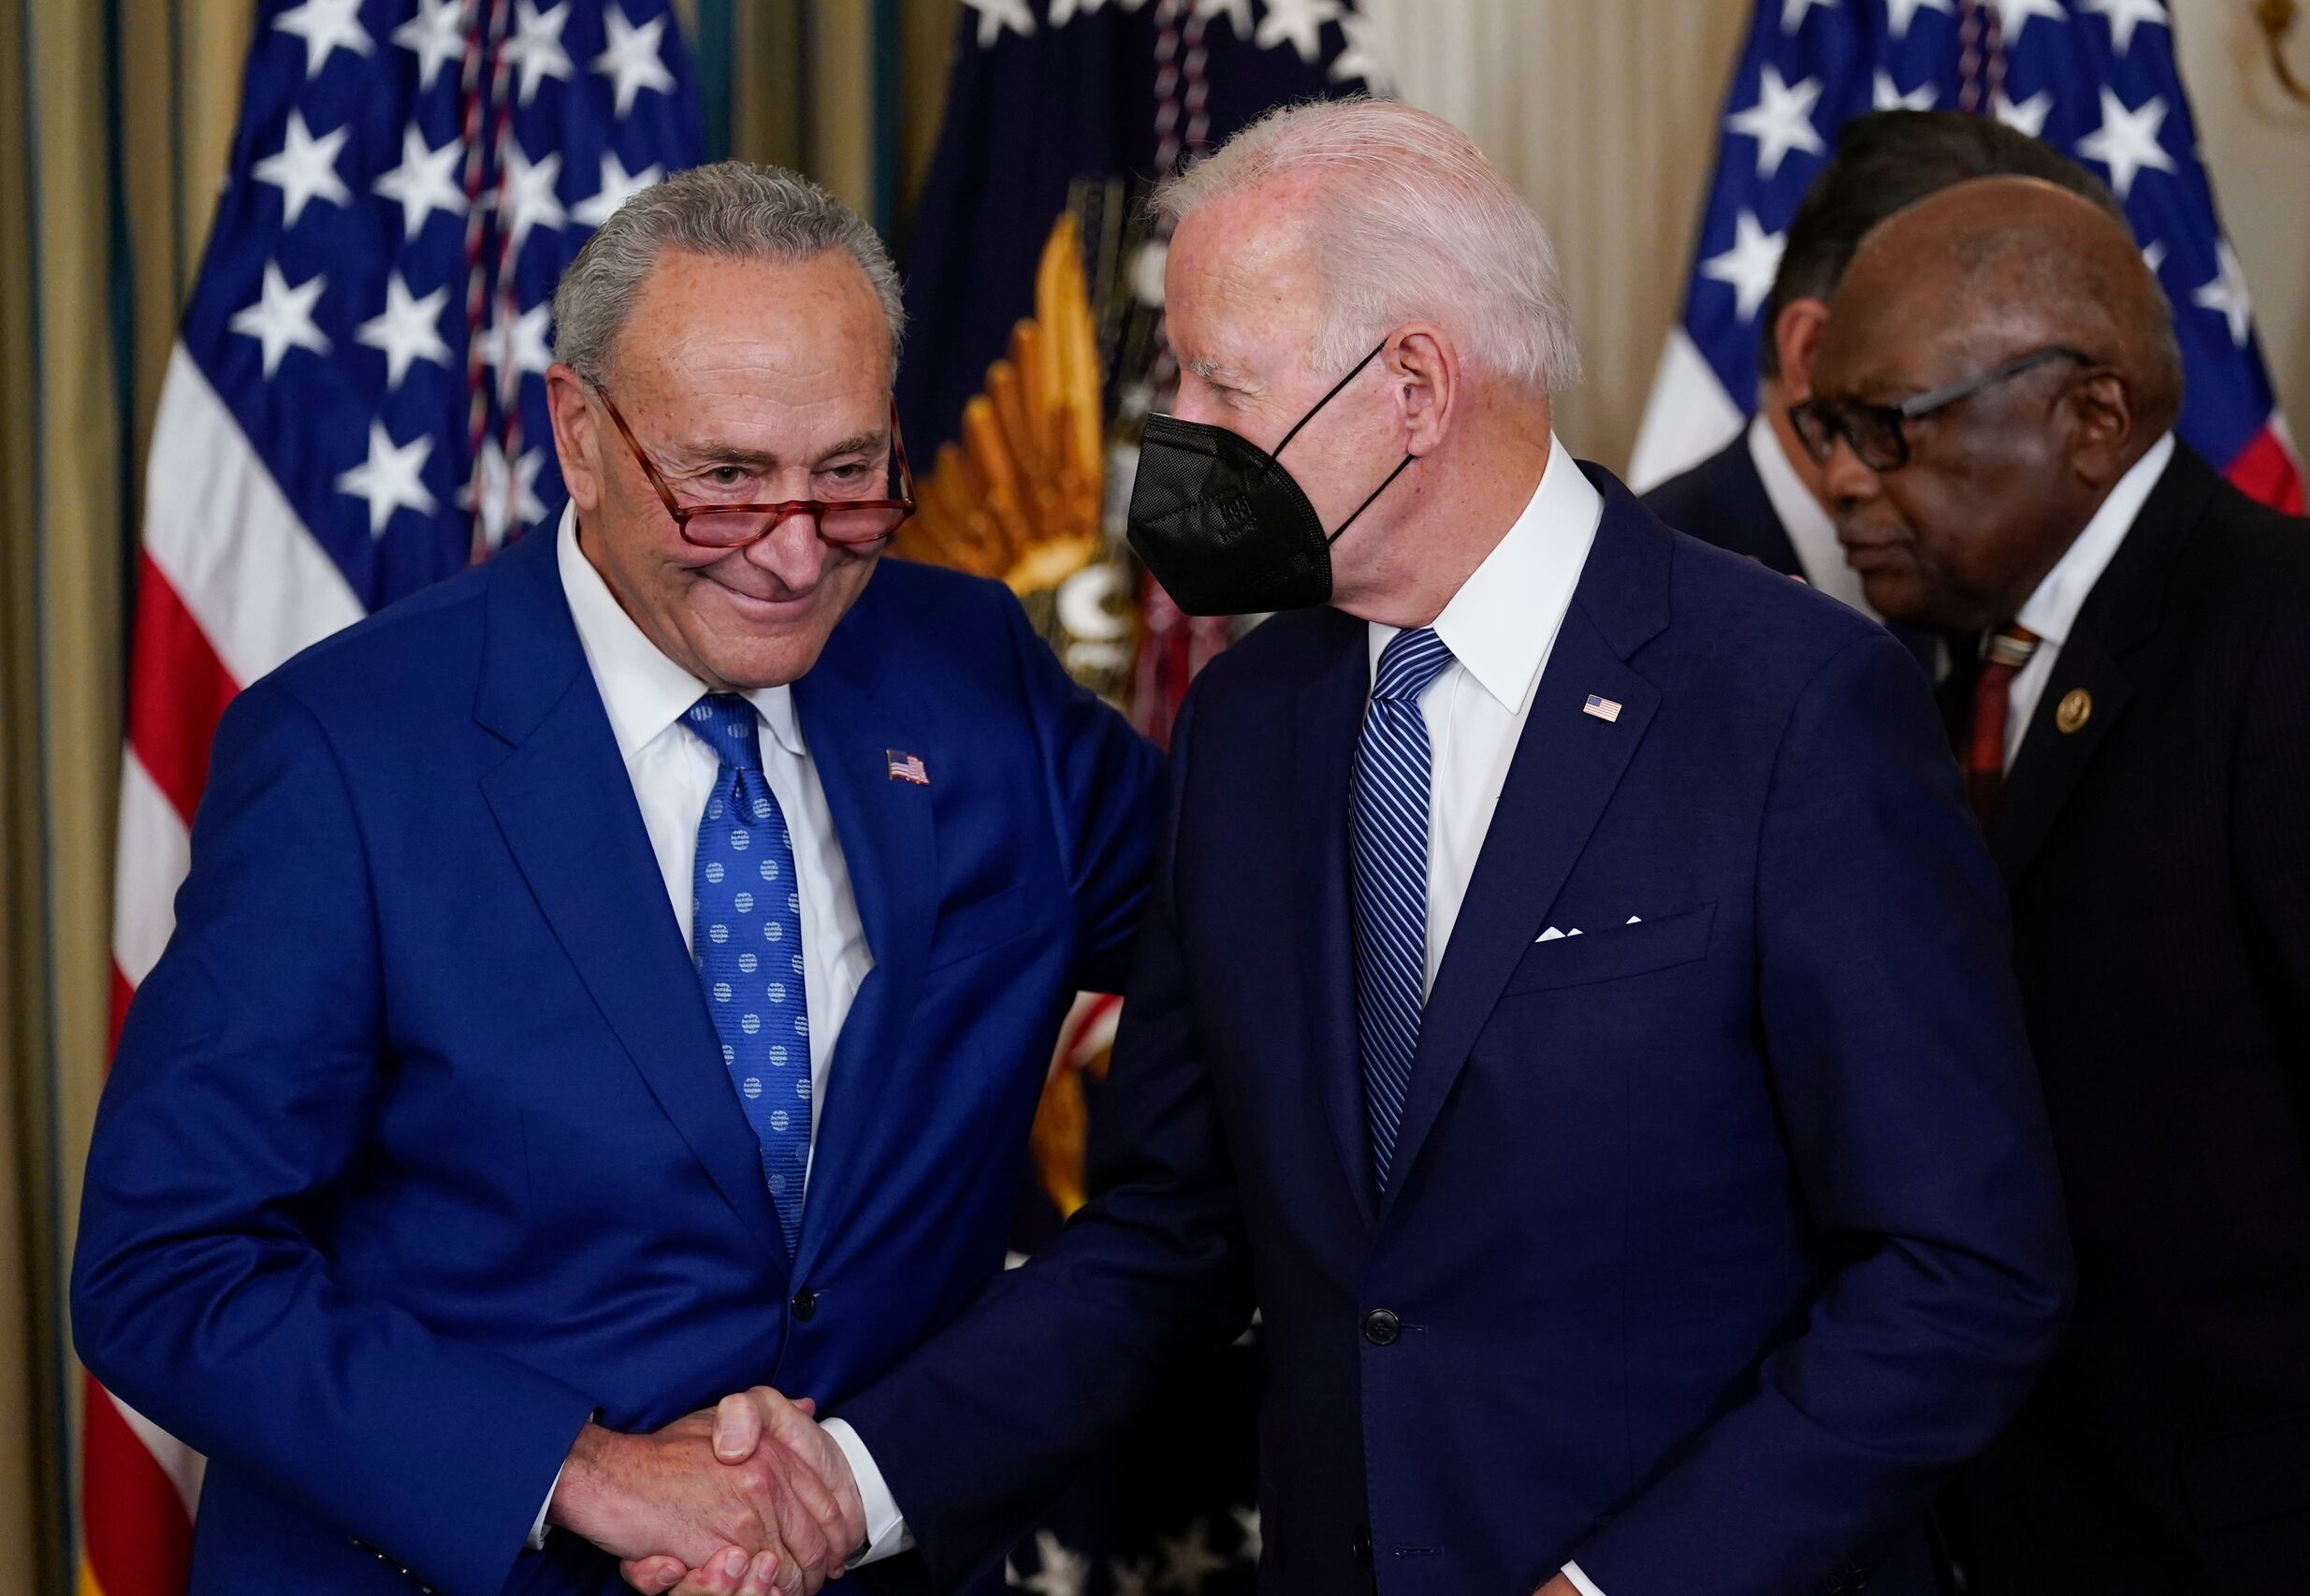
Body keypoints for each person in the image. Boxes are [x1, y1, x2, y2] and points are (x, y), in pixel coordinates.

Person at [643, 99, 2073, 1596]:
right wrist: (849, 1481)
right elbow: (1176, 1234)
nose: (1173, 427)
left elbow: (1959, 1272)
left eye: (1221, 378)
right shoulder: (1253, 724)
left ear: (1412, 386)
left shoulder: (1794, 708)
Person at [71, 161, 1159, 1596]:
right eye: (723, 481)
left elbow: (1268, 936)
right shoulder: (349, 751)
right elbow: (168, 1268)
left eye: (848, 475)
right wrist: (586, 1473)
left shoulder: (973, 670)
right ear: (579, 438)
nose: (793, 548)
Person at [1800, 174, 2310, 1595]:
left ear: (2092, 418)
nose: (1840, 479)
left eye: (1892, 427)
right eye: (1830, 427)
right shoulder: (1965, 665)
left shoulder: (2301, 641)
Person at [1644, 109, 2121, 668]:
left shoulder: (2025, 574)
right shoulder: (1645, 600)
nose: (2055, 413)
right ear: (1814, 354)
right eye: (1990, 361)